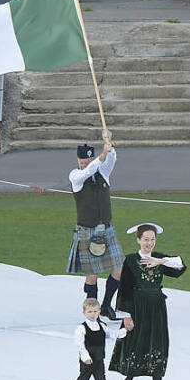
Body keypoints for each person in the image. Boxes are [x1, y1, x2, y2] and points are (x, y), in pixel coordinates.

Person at [110, 223, 186, 380]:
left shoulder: (159, 258)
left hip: (156, 308)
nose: (149, 243)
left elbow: (180, 266)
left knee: (157, 344)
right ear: (138, 240)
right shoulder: (130, 260)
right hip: (137, 308)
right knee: (136, 344)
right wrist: (126, 315)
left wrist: (161, 261)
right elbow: (124, 289)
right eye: (146, 239)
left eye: (152, 239)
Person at [68, 130, 123, 317]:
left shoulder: (103, 173)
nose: (83, 164)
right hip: (87, 230)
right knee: (92, 273)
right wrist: (102, 154)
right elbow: (89, 170)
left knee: (119, 268)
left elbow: (111, 159)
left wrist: (108, 141)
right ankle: (93, 311)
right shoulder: (75, 176)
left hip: (106, 228)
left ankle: (106, 306)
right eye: (81, 161)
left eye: (86, 161)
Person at [70, 297, 118, 380]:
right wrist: (85, 357)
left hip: (99, 358)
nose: (92, 314)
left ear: (99, 311)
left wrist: (125, 331)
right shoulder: (82, 328)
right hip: (88, 360)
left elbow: (111, 334)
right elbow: (80, 345)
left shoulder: (101, 326)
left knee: (101, 379)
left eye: (95, 311)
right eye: (90, 312)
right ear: (84, 312)